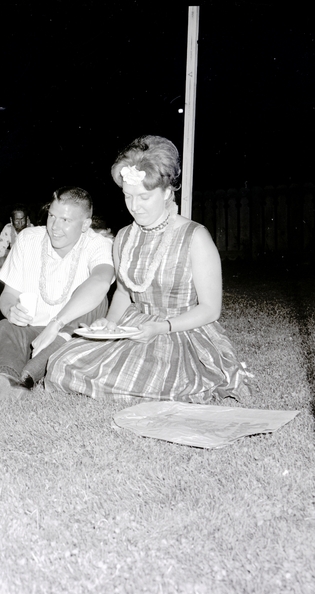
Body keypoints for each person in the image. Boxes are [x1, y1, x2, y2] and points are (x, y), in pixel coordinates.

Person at [46, 135, 254, 404]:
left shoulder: (195, 237)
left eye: (144, 197)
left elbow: (211, 309)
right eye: (128, 196)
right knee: (60, 362)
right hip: (135, 326)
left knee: (148, 379)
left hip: (181, 331)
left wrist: (162, 328)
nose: (134, 206)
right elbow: (124, 292)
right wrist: (110, 324)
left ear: (167, 193)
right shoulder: (124, 237)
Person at [0, 186, 114, 399]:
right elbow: (9, 294)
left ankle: (27, 377)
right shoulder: (28, 239)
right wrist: (11, 310)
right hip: (33, 333)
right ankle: (7, 378)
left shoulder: (98, 244)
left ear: (85, 224)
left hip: (72, 336)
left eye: (65, 220)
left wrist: (56, 325)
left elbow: (101, 281)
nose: (55, 227)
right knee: (5, 326)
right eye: (52, 216)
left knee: (96, 301)